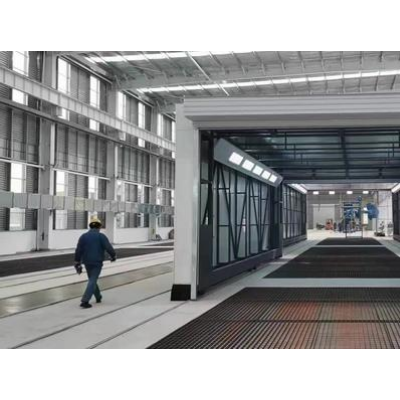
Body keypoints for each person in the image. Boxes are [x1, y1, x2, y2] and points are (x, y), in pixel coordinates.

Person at [74, 216, 116, 309]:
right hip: (97, 262)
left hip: (87, 262)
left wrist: (77, 261)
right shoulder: (101, 236)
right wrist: (113, 256)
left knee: (92, 279)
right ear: (99, 226)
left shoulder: (83, 236)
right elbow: (108, 247)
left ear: (90, 226)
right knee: (93, 280)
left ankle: (98, 296)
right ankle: (85, 300)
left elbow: (78, 250)